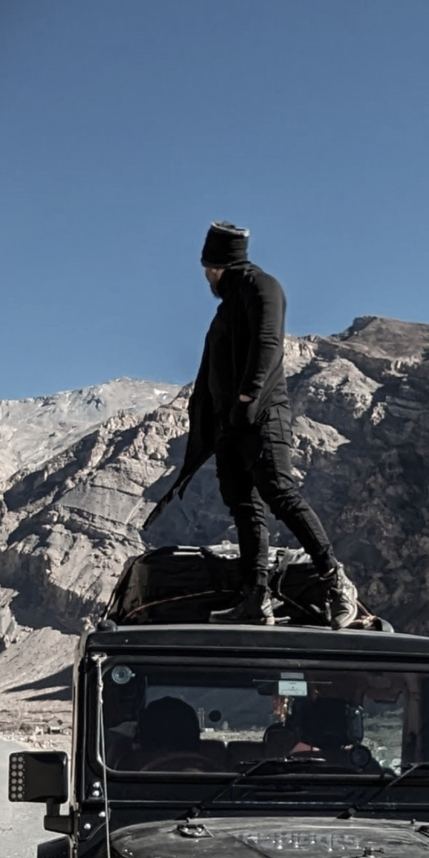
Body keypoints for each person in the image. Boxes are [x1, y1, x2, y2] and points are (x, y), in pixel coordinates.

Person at [143, 220, 358, 627]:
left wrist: (246, 399)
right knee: (244, 507)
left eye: (206, 267)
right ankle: (254, 597)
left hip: (263, 416)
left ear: (214, 264)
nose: (205, 275)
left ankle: (335, 580)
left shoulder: (264, 287)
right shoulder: (226, 307)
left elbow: (268, 343)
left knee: (280, 493)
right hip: (231, 426)